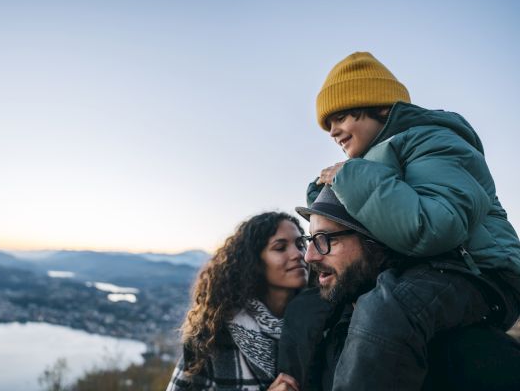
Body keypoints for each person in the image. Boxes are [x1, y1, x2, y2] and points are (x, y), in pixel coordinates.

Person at [302, 52, 520, 390]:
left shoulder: (435, 141)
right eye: (327, 124)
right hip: (439, 269)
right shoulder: (375, 160)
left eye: (342, 116)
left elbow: (435, 228)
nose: (333, 131)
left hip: (485, 272)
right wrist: (323, 194)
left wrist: (352, 180)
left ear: (381, 108)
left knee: (389, 309)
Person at [276, 186, 520, 391]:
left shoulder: (477, 353)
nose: (308, 256)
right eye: (310, 240)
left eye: (326, 239)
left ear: (377, 241)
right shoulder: (320, 323)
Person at [166, 211, 309, 390]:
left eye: (301, 244)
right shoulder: (213, 337)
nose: (299, 254)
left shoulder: (324, 325)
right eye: (280, 248)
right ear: (254, 262)